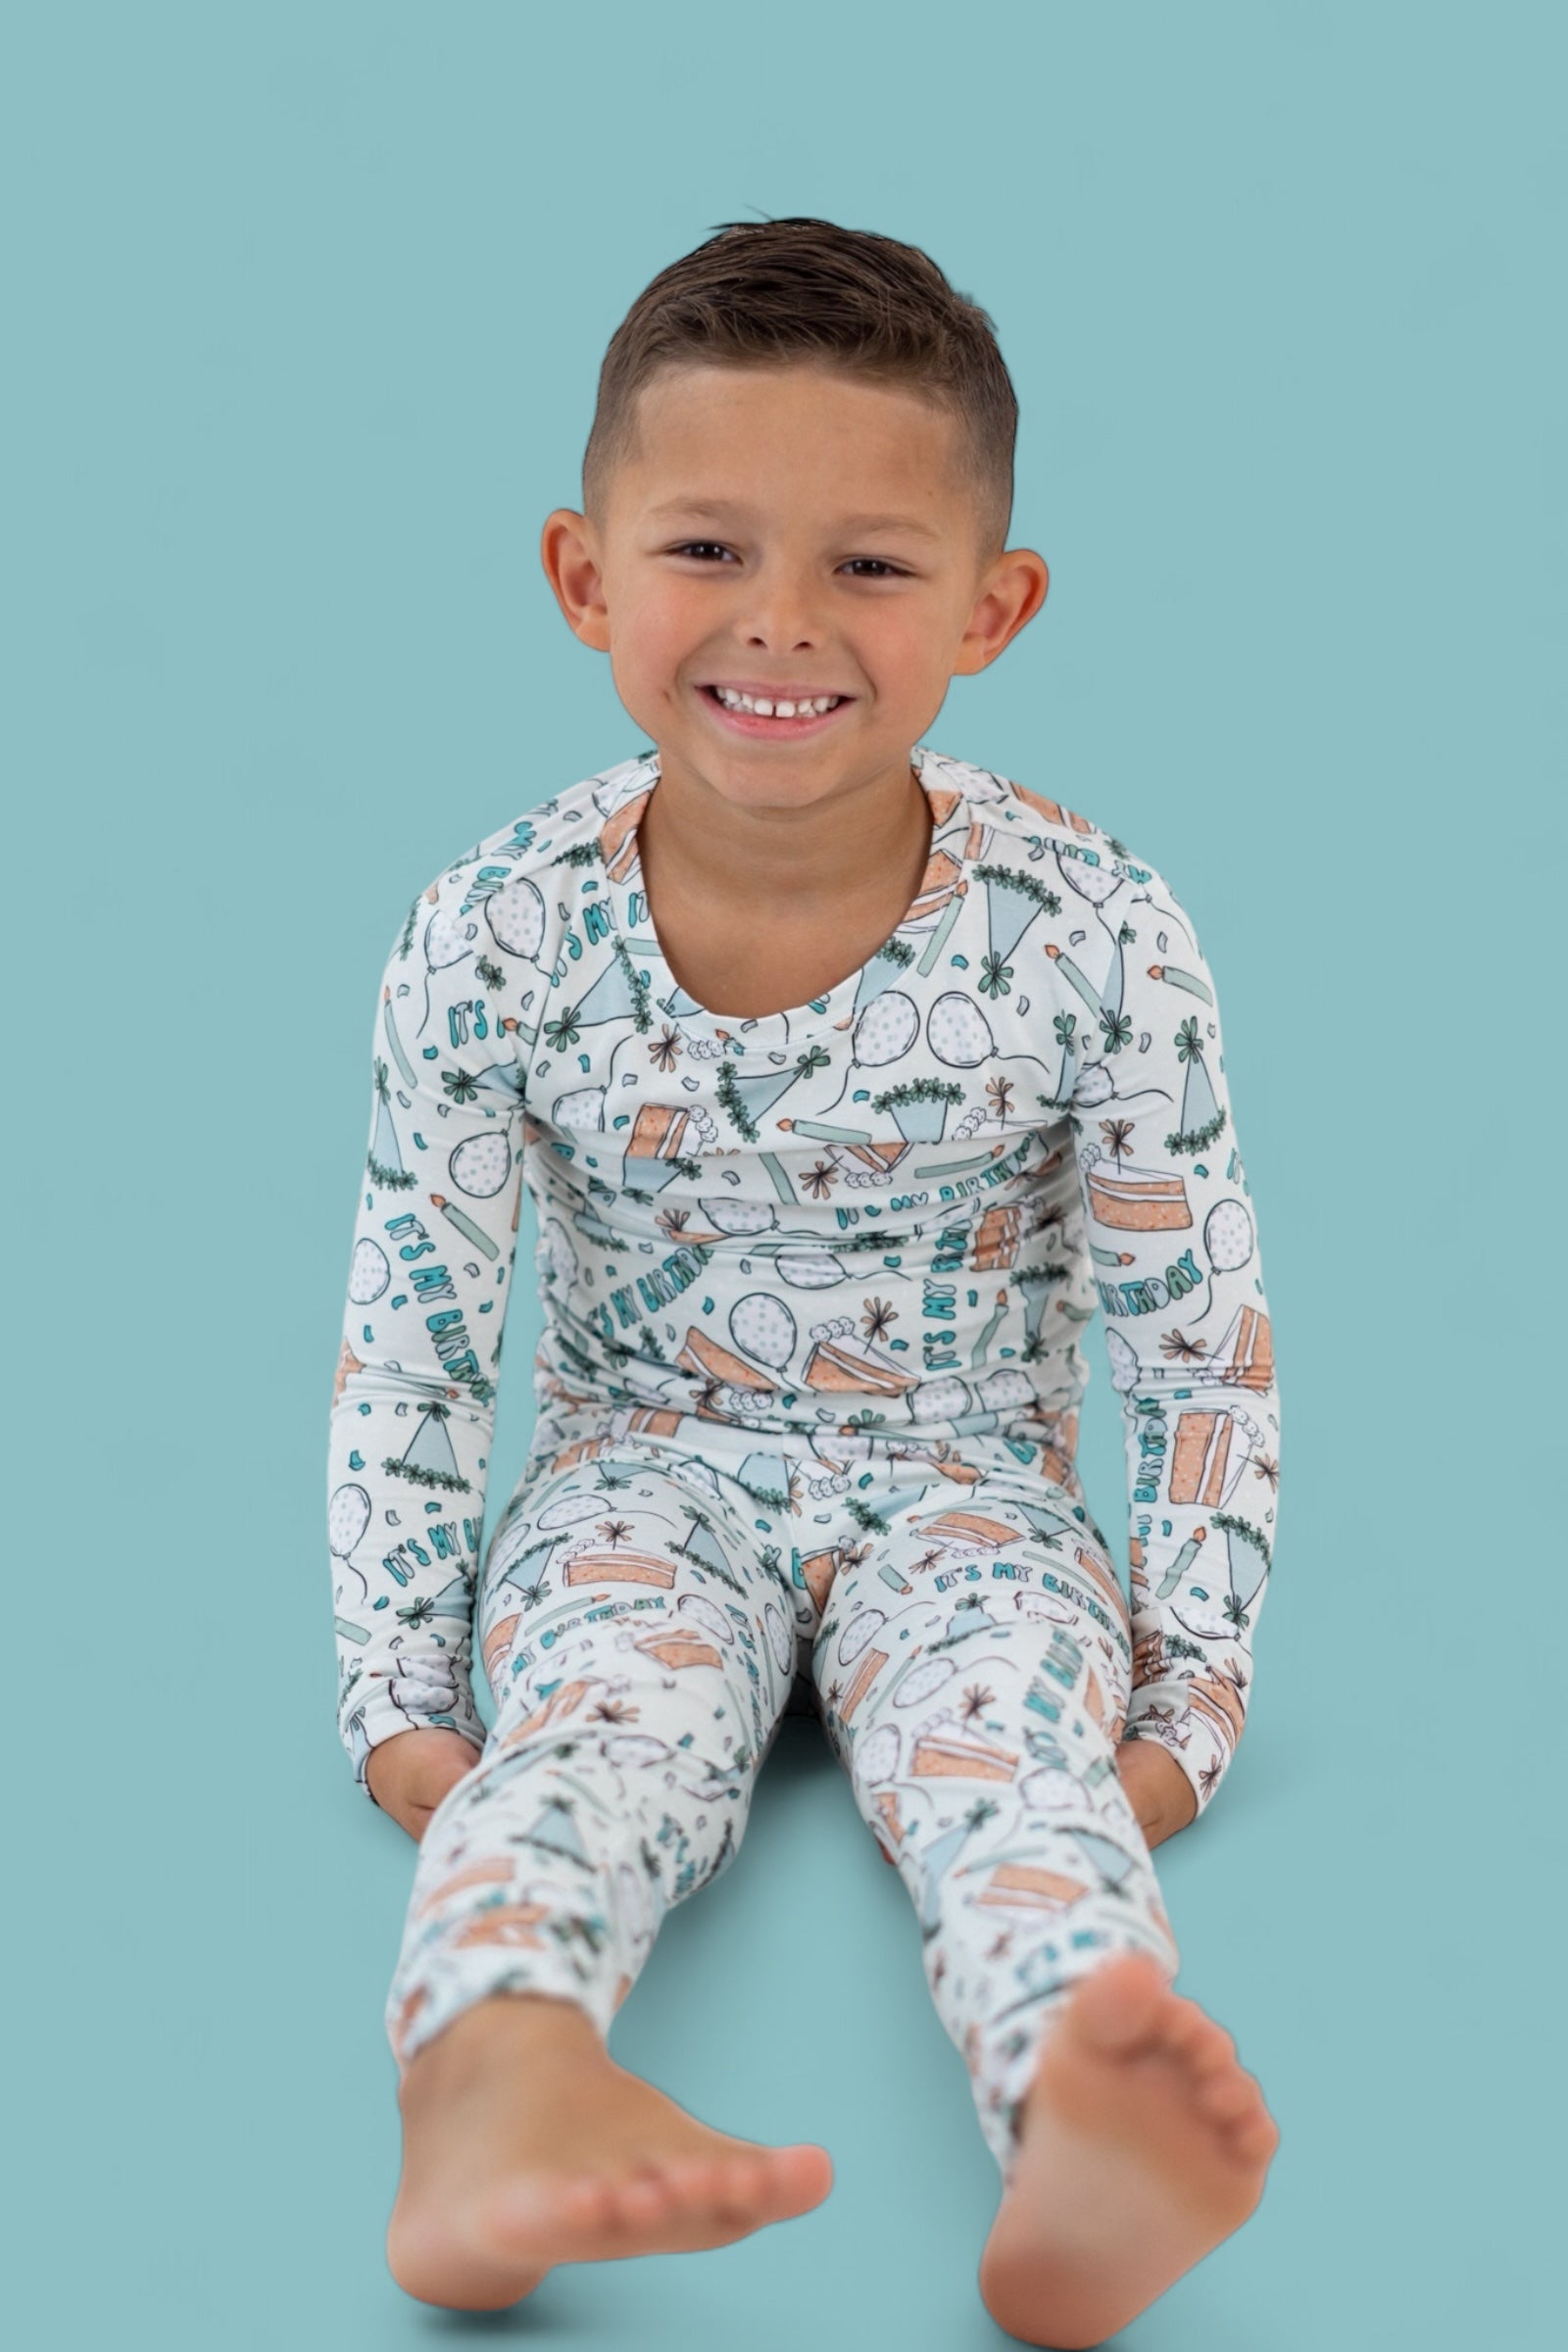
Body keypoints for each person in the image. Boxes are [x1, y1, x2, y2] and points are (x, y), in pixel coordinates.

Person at [325, 215, 1283, 2343]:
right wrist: (403, 1693)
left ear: (990, 608)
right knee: (589, 1743)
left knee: (1009, 1773)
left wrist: (1182, 1705)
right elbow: (416, 1329)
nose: (780, 621)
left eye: (868, 563)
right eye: (704, 550)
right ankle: (492, 2081)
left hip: (972, 1491)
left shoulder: (1094, 931)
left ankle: (1084, 2112)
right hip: (635, 1480)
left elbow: (1194, 1336)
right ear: (584, 575)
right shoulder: (490, 932)